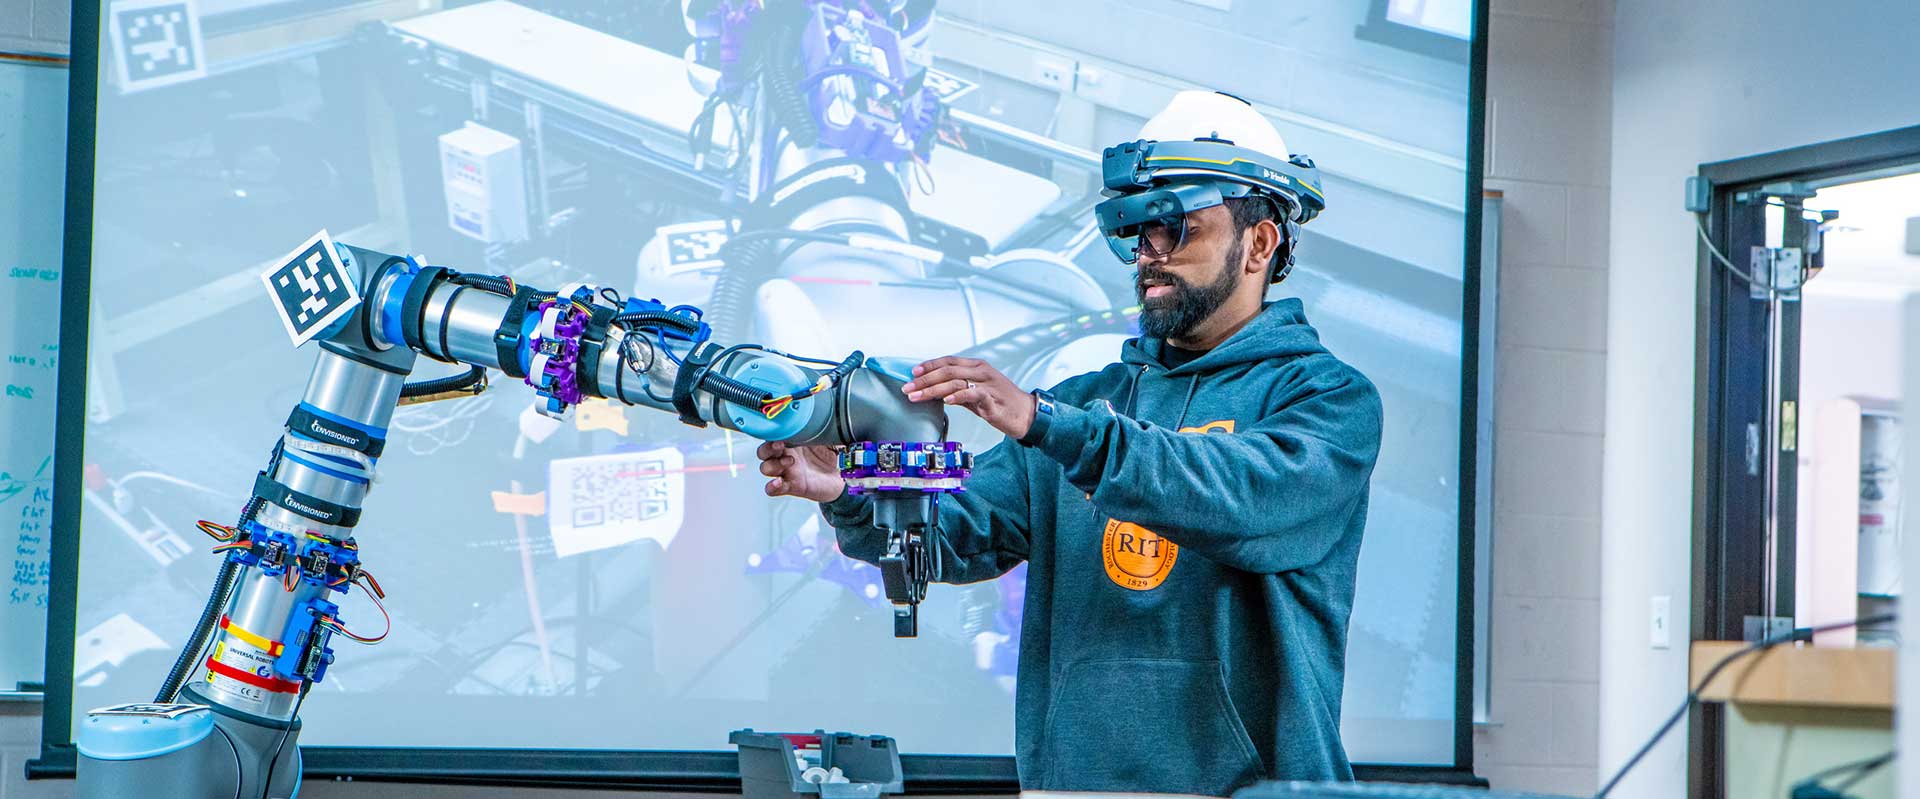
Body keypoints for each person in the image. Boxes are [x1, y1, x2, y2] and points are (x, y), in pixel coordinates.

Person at [754, 90, 1384, 797]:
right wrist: (848, 491)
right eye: (1137, 230)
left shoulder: (1329, 400)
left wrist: (1049, 422)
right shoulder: (1086, 400)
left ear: (1260, 243)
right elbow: (956, 534)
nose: (1150, 253)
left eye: (1176, 227)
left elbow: (1234, 495)